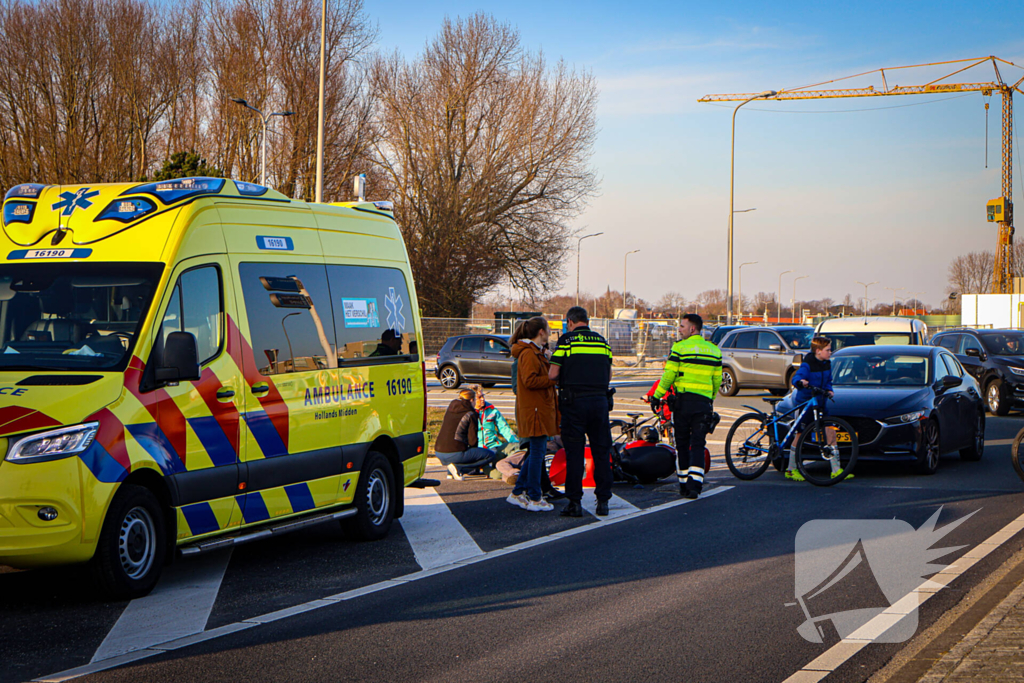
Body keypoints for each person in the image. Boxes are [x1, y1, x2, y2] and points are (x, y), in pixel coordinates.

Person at [549, 306, 614, 517]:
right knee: (601, 452)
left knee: (575, 454)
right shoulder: (602, 342)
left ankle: (574, 503)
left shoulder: (566, 341)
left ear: (570, 321)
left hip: (574, 404)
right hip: (599, 402)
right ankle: (603, 501)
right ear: (587, 321)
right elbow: (609, 375)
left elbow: (553, 374)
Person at [650, 313, 721, 499]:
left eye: (682, 326)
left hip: (683, 404)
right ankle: (695, 485)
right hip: (703, 404)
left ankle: (683, 484)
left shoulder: (679, 348)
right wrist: (710, 398)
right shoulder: (714, 351)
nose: (679, 329)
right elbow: (717, 380)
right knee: (698, 444)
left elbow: (669, 375)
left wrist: (656, 396)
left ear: (692, 328)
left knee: (682, 443)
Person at [508, 316, 559, 512]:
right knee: (537, 454)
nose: (550, 333)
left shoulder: (534, 352)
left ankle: (518, 492)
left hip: (538, 409)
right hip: (535, 410)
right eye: (548, 329)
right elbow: (529, 381)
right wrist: (552, 379)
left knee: (535, 453)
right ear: (541, 332)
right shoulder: (529, 353)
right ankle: (535, 497)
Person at [787, 336, 844, 481]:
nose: (830, 352)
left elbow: (828, 380)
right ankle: (791, 469)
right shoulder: (807, 364)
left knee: (831, 432)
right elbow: (797, 378)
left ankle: (836, 470)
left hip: (821, 402)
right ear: (818, 351)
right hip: (806, 403)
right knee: (800, 435)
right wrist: (801, 382)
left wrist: (829, 389)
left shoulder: (827, 364)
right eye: (828, 350)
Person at [434, 388, 497, 480]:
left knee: (459, 449)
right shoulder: (471, 413)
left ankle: (450, 472)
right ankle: (459, 468)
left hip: (438, 451)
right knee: (490, 455)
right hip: (454, 453)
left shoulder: (451, 407)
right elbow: (472, 441)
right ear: (471, 400)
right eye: (475, 399)